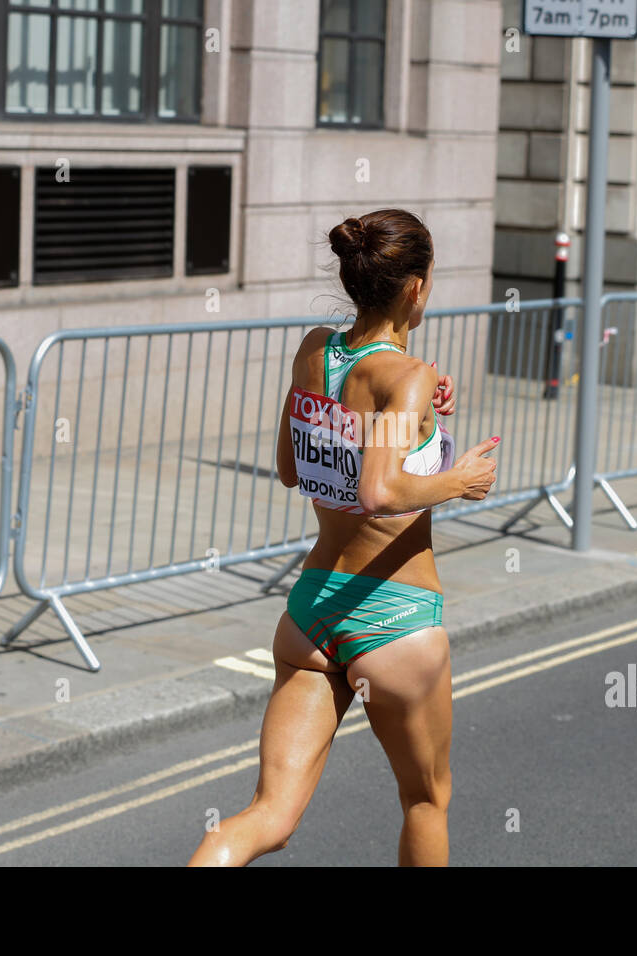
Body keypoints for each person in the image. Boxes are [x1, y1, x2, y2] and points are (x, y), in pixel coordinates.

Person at [187, 208, 499, 867]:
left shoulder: (315, 351)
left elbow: (289, 468)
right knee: (424, 802)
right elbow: (381, 491)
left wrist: (414, 417)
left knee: (268, 816)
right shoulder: (404, 379)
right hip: (394, 616)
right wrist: (460, 478)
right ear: (415, 289)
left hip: (312, 612)